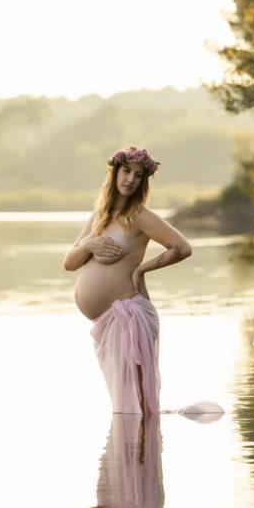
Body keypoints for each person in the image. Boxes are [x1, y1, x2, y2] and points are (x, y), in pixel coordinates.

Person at [63, 146, 192, 415]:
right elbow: (69, 263)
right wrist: (90, 245)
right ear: (114, 173)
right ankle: (131, 453)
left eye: (138, 175)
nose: (131, 179)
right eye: (126, 171)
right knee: (123, 405)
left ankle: (140, 453)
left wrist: (141, 270)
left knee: (135, 406)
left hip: (129, 317)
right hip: (107, 322)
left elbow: (182, 247)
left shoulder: (140, 217)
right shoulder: (99, 216)